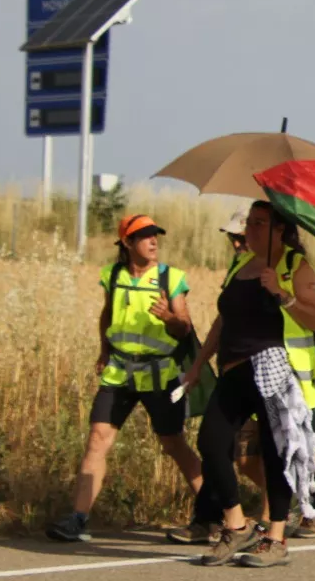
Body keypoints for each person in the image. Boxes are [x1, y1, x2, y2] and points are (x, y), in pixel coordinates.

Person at [182, 201, 315, 567]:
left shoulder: (296, 266)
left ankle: (276, 538)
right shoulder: (243, 265)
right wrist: (198, 364)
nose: (251, 230)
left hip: (275, 366)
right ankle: (236, 522)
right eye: (250, 223)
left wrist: (283, 292)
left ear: (280, 229)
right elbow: (222, 320)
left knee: (275, 450)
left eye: (260, 223)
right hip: (233, 368)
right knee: (211, 442)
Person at [46, 215, 205, 542]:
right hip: (119, 372)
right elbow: (106, 315)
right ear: (127, 244)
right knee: (97, 439)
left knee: (173, 444)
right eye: (144, 236)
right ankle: (78, 518)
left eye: (154, 235)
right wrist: (103, 351)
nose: (153, 241)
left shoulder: (170, 278)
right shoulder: (113, 275)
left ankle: (212, 514)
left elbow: (185, 327)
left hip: (160, 374)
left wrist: (169, 317)